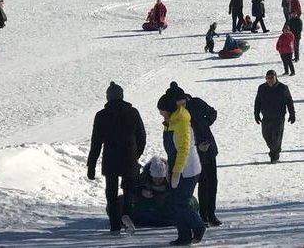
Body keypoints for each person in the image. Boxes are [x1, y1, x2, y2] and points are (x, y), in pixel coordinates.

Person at [87, 81, 146, 236]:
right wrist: (136, 154)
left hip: (111, 160)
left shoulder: (101, 115)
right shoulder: (133, 113)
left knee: (111, 194)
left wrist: (91, 166)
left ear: (108, 97)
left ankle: (114, 225)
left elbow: (96, 143)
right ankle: (127, 216)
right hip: (129, 158)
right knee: (130, 192)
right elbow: (142, 137)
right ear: (122, 96)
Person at [166, 82, 221, 227]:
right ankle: (203, 217)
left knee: (213, 182)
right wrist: (197, 145)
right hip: (195, 154)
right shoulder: (174, 115)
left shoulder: (196, 103)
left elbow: (212, 112)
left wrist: (205, 123)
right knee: (203, 184)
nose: (180, 105)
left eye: (181, 101)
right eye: (177, 103)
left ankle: (211, 214)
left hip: (208, 148)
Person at [157, 93, 206, 246]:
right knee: (174, 203)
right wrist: (169, 169)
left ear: (169, 110)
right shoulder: (170, 122)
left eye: (162, 111)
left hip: (188, 170)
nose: (160, 114)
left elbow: (183, 150)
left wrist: (177, 172)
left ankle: (198, 226)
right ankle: (184, 236)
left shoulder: (182, 123)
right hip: (176, 168)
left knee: (181, 203)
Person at [254, 69, 295, 163]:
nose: (270, 80)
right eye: (267, 78)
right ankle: (274, 151)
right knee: (266, 136)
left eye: (272, 77)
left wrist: (292, 114)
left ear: (276, 77)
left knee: (276, 138)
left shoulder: (283, 88)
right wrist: (256, 114)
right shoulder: (262, 88)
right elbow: (258, 101)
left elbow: (289, 101)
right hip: (266, 116)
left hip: (279, 117)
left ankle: (274, 155)